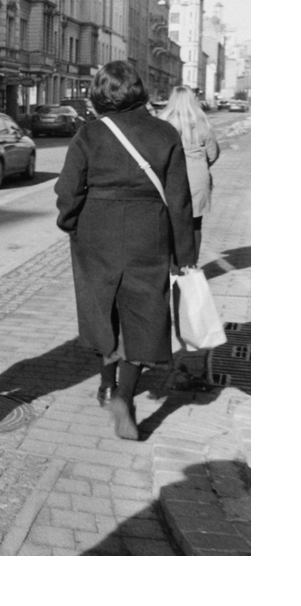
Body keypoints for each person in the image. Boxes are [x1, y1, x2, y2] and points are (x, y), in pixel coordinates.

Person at [54, 61, 197, 440]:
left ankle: (106, 384)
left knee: (104, 309)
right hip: (148, 232)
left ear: (99, 95)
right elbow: (180, 200)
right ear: (139, 91)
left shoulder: (89, 133)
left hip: (96, 230)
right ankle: (124, 396)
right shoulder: (164, 133)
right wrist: (184, 253)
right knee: (143, 314)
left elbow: (68, 190)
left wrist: (71, 224)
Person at [157, 85, 220, 253]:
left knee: (169, 223)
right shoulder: (202, 123)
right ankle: (191, 265)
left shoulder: (162, 123)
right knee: (195, 224)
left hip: (169, 179)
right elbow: (213, 154)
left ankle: (173, 264)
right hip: (197, 177)